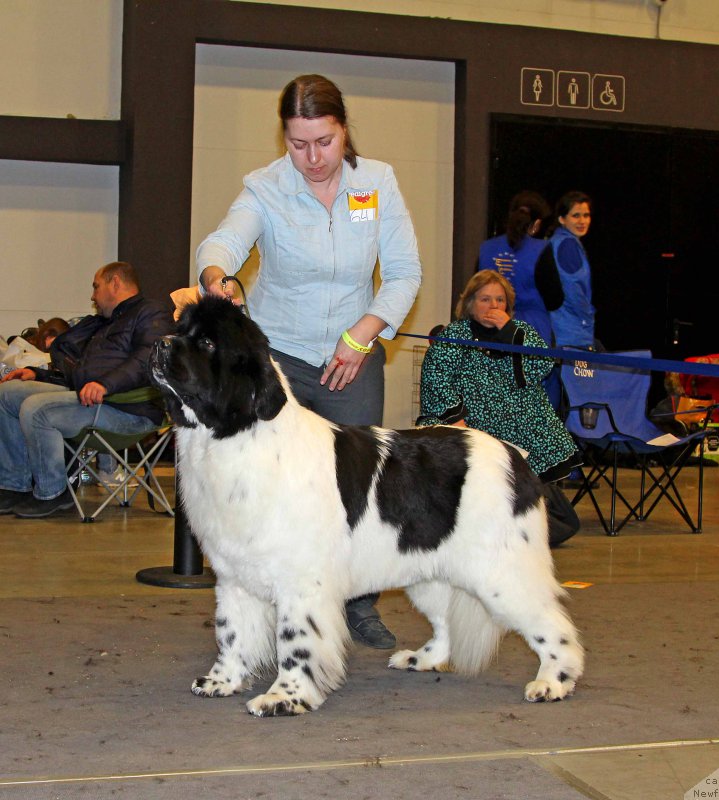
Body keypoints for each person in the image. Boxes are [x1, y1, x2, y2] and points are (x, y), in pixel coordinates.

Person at [195, 74, 422, 649]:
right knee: (273, 488)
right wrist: (216, 276)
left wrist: (363, 335)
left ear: (344, 130)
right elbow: (221, 243)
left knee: (357, 489)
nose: (313, 158)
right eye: (298, 144)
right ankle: (264, 602)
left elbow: (403, 276)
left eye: (324, 141)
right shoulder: (265, 187)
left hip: (354, 358)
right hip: (281, 362)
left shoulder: (379, 184)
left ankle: (359, 605)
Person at [417, 270, 581, 546]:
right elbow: (436, 379)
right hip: (472, 424)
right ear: (469, 303)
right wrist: (456, 422)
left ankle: (514, 523)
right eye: (484, 299)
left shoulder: (521, 333)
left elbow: (541, 365)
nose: (493, 306)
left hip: (519, 424)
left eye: (499, 300)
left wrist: (508, 332)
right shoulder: (454, 336)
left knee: (565, 524)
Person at [0, 261, 174, 518]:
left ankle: (53, 492)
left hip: (127, 408)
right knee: (7, 393)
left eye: (96, 287)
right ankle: (15, 485)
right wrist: (38, 373)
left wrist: (106, 384)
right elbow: (80, 374)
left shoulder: (152, 312)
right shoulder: (105, 323)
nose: (92, 296)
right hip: (94, 399)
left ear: (115, 283)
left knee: (36, 410)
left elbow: (149, 358)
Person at [478, 190, 563, 407]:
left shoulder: (487, 248)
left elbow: (472, 290)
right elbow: (555, 299)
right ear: (536, 224)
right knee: (535, 396)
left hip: (488, 327)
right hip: (532, 329)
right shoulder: (541, 250)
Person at [546, 191, 596, 350]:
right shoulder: (568, 245)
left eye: (586, 215)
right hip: (570, 329)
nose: (582, 221)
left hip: (560, 327)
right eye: (576, 216)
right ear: (562, 219)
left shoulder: (558, 241)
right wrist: (587, 318)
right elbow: (572, 288)